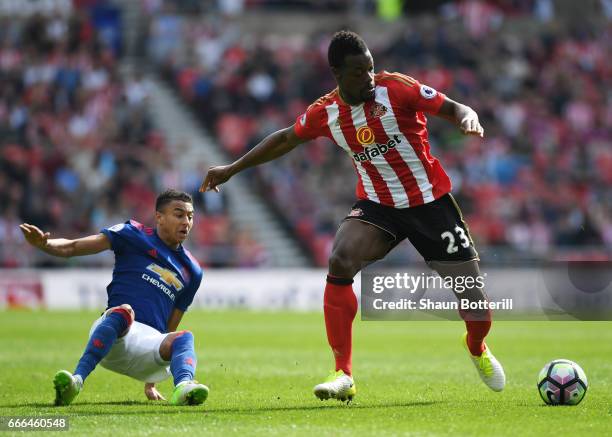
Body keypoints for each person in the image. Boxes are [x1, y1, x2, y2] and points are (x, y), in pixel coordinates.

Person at [200, 30, 505, 402]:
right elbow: (284, 139)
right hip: (379, 205)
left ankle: (476, 347)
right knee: (340, 260)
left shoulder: (397, 89)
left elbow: (454, 107)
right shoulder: (326, 112)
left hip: (431, 203)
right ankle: (343, 372)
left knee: (476, 305)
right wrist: (232, 168)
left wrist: (467, 116)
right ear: (337, 74)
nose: (369, 78)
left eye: (371, 69)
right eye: (359, 72)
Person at [19, 189, 209, 406]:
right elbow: (73, 247)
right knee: (124, 310)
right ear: (159, 217)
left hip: (149, 348)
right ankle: (76, 381)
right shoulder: (132, 234)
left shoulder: (192, 270)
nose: (186, 221)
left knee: (184, 337)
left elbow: (171, 323)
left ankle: (184, 387)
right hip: (116, 337)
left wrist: (152, 378)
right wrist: (45, 244)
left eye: (190, 216)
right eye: (179, 214)